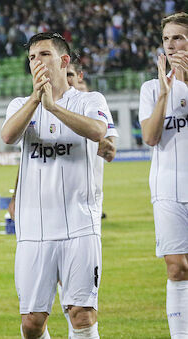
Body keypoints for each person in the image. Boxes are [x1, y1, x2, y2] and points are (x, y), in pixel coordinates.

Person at [1, 32, 112, 339]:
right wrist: (37, 100)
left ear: (64, 61)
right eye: (32, 57)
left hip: (80, 225)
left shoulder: (90, 100)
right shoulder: (21, 104)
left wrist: (53, 107)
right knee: (32, 323)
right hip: (34, 230)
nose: (37, 61)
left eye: (44, 55)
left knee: (82, 313)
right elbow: (8, 136)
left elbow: (98, 130)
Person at [139, 12, 188, 338]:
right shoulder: (150, 88)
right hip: (168, 187)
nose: (171, 45)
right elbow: (151, 137)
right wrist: (165, 94)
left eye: (179, 37)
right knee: (177, 267)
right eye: (167, 38)